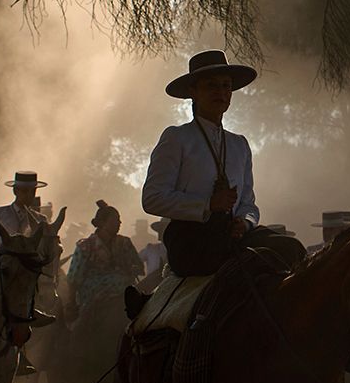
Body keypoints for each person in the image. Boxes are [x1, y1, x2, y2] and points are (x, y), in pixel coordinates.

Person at [142, 50, 305, 276]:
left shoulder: (239, 145)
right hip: (193, 239)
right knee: (235, 268)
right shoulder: (177, 137)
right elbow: (152, 198)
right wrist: (207, 204)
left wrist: (245, 223)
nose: (221, 92)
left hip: (234, 236)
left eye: (226, 86)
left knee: (291, 249)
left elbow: (248, 204)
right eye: (211, 85)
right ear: (193, 92)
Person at [66, 200, 145, 318]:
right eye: (115, 220)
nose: (119, 223)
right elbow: (74, 279)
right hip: (92, 296)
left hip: (125, 291)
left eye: (119, 220)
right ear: (102, 223)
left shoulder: (124, 243)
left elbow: (139, 266)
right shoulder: (86, 246)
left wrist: (132, 269)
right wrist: (71, 304)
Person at [0, 171, 49, 237]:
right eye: (24, 191)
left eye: (33, 192)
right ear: (15, 191)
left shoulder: (41, 219)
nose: (29, 195)